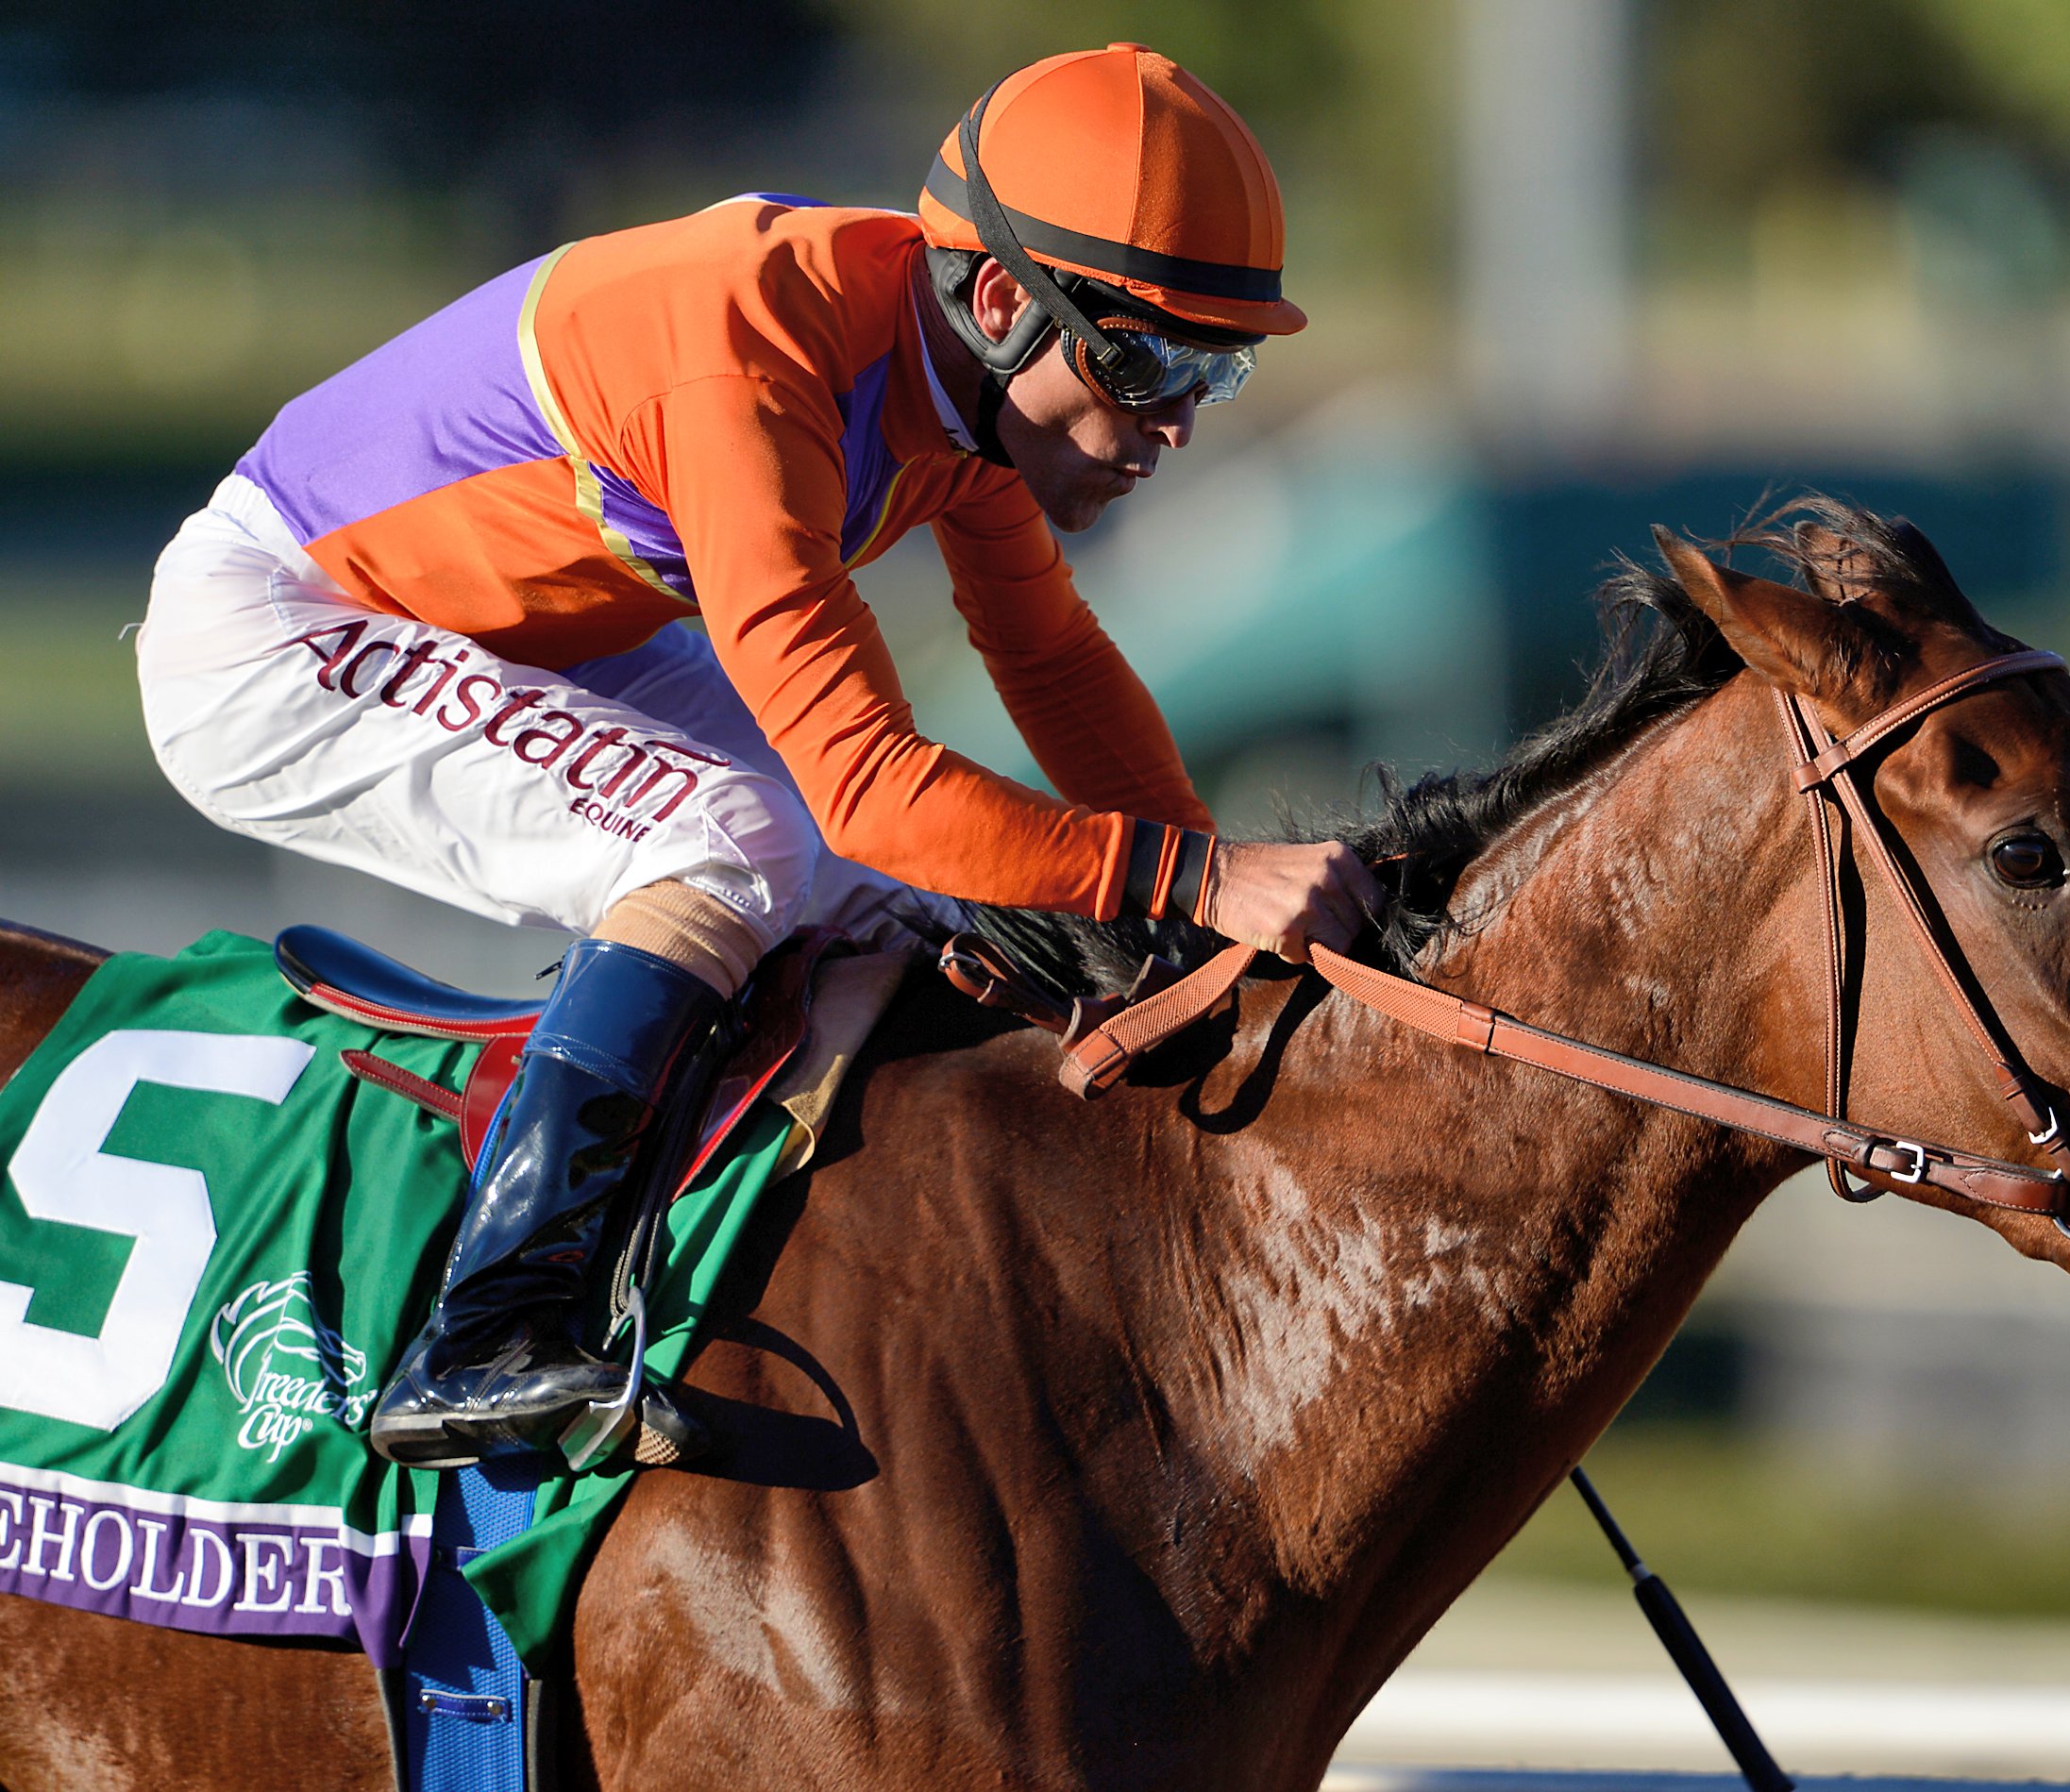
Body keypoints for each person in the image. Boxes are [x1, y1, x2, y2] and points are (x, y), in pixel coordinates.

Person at [131, 43, 1383, 1468]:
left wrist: (1203, 920)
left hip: (522, 627)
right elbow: (864, 780)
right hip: (280, 626)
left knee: (895, 896)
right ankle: (485, 1329)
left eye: (1208, 370)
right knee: (733, 837)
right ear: (998, 301)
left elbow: (1049, 665)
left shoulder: (966, 378)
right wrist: (1196, 877)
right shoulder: (755, 359)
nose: (1168, 424)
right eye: (1141, 360)